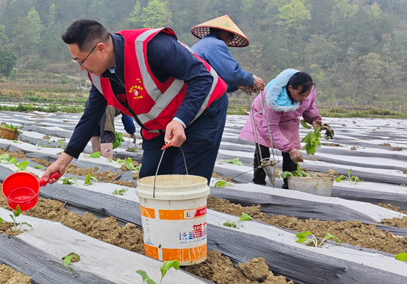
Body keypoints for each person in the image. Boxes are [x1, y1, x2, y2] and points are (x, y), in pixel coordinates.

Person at [41, 19, 228, 184]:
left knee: (185, 181)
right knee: (150, 180)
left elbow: (202, 78)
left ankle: (186, 223)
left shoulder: (153, 46)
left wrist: (180, 120)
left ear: (100, 49)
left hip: (201, 112)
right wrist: (63, 161)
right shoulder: (98, 75)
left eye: (80, 61)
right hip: (159, 127)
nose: (81, 68)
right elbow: (90, 116)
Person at [239, 69, 322, 188]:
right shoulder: (273, 101)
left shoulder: (308, 92)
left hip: (289, 119)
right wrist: (290, 149)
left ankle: (289, 183)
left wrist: (314, 119)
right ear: (290, 88)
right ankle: (259, 183)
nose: (304, 98)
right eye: (301, 95)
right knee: (263, 152)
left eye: (306, 95)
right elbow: (270, 128)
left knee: (291, 155)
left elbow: (309, 106)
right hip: (264, 118)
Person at [190, 15, 264, 94]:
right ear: (225, 34)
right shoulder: (215, 44)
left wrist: (238, 85)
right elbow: (233, 74)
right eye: (231, 38)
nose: (228, 44)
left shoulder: (204, 44)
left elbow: (217, 81)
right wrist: (252, 79)